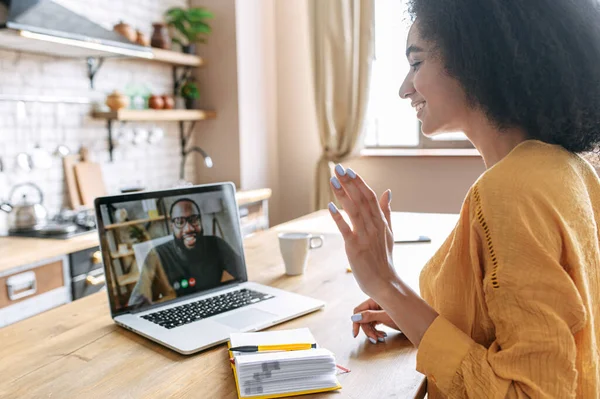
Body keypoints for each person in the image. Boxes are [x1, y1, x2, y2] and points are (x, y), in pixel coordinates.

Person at [327, 0, 600, 397]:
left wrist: (386, 283)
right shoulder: (571, 170)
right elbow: (529, 327)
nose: (404, 88)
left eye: (416, 64)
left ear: (475, 59)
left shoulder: (510, 192)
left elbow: (525, 392)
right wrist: (410, 312)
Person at [128, 198, 243, 307]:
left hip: (212, 304)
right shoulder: (156, 254)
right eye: (179, 221)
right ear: (172, 226)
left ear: (200, 221)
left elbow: (241, 274)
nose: (188, 228)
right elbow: (139, 295)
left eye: (194, 219)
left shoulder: (216, 244)